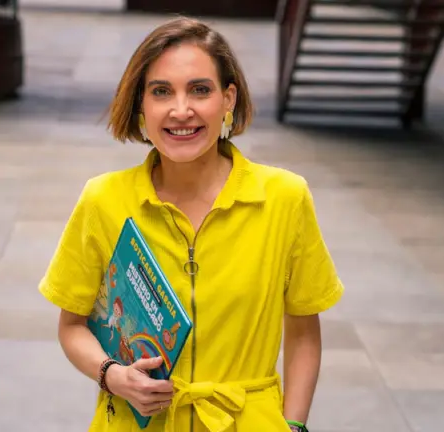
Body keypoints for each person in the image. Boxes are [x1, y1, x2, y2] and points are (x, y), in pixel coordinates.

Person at [38, 16, 344, 432]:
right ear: (141, 106)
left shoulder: (284, 198)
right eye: (161, 92)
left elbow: (304, 331)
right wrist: (113, 375)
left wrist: (294, 425)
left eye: (200, 90)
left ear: (228, 98)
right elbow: (71, 327)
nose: (181, 111)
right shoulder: (103, 200)